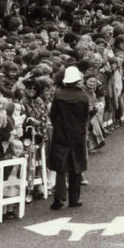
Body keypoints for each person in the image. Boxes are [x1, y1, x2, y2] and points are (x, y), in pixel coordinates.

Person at [48, 66, 91, 210]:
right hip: (77, 135)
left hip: (61, 134)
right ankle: (74, 199)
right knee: (76, 167)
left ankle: (59, 198)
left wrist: (59, 126)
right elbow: (86, 116)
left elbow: (53, 115)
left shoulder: (58, 95)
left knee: (60, 168)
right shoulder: (83, 96)